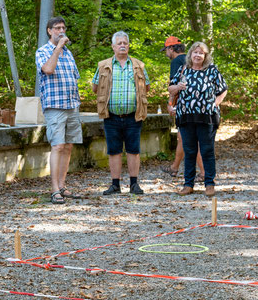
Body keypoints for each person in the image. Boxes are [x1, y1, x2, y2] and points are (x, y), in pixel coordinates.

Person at [92, 31, 151, 195]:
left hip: (133, 115)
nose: (123, 45)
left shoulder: (138, 65)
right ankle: (115, 185)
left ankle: (134, 184)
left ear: (129, 45)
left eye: (125, 43)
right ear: (113, 46)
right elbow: (95, 87)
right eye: (119, 43)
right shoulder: (103, 65)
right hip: (111, 116)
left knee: (134, 150)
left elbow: (146, 87)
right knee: (114, 150)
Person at [169, 42, 227, 197]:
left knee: (207, 150)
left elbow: (223, 89)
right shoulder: (184, 69)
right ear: (190, 55)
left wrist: (215, 103)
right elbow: (171, 88)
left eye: (201, 53)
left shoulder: (212, 70)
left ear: (205, 56)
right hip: (186, 116)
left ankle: (209, 184)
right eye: (195, 52)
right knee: (189, 151)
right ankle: (188, 184)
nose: (197, 55)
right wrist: (178, 88)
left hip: (207, 117)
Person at [35, 16, 83, 205]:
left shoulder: (68, 53)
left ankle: (62, 186)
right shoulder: (43, 51)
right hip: (55, 106)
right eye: (57, 28)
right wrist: (57, 48)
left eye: (63, 27)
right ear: (49, 31)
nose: (61, 31)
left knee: (68, 146)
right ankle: (54, 189)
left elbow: (74, 78)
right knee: (57, 145)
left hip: (72, 105)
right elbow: (47, 69)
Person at [160, 36, 205, 182]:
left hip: (186, 107)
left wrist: (171, 104)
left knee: (190, 139)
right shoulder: (189, 59)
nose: (166, 53)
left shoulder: (177, 62)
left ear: (171, 48)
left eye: (166, 49)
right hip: (197, 105)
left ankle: (204, 172)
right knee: (182, 138)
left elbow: (176, 86)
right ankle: (174, 168)